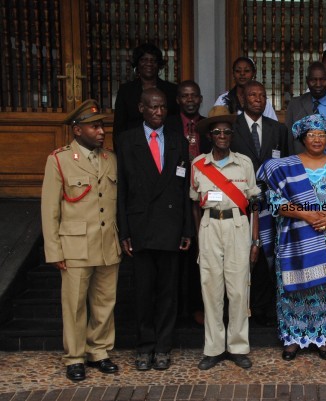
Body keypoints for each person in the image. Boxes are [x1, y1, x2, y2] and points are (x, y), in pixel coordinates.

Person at [257, 114, 326, 362]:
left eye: (321, 134)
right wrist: (306, 215)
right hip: (294, 241)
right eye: (311, 135)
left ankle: (321, 337)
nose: (316, 139)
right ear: (303, 138)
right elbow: (273, 202)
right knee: (292, 289)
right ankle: (292, 338)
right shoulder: (283, 167)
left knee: (324, 289)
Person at [41, 99, 120, 381]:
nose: (101, 132)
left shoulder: (110, 159)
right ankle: (75, 356)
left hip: (107, 242)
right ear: (77, 130)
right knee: (74, 304)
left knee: (104, 301)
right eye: (94, 127)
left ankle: (99, 350)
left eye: (102, 126)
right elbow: (50, 209)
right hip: (75, 244)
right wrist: (54, 250)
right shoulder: (59, 160)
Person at [117, 88, 193, 371]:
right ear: (141, 108)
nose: (158, 112)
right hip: (140, 227)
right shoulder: (126, 141)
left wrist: (187, 229)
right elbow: (122, 190)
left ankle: (163, 346)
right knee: (143, 292)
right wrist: (124, 232)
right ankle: (144, 346)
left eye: (162, 107)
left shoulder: (177, 141)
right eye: (152, 107)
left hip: (171, 227)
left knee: (167, 293)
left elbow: (184, 188)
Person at [190, 106, 260, 371]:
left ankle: (238, 346)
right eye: (217, 132)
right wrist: (199, 235)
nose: (222, 136)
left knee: (239, 289)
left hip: (238, 227)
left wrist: (256, 240)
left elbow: (254, 204)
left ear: (232, 135)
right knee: (211, 289)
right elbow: (195, 204)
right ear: (210, 135)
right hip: (210, 227)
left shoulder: (244, 163)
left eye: (227, 132)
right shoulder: (198, 165)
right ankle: (214, 348)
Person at [230, 80, 289, 326]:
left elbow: (285, 164)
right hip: (238, 202)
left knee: (268, 253)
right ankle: (244, 304)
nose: (258, 99)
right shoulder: (230, 128)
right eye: (253, 95)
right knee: (243, 254)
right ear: (243, 99)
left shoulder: (278, 129)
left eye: (262, 95)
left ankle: (266, 305)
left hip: (270, 204)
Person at [165, 80, 209, 326]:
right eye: (185, 96)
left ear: (200, 99)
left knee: (198, 254)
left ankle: (196, 307)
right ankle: (175, 308)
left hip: (202, 198)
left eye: (194, 95)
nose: (190, 100)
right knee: (174, 257)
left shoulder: (207, 126)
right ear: (178, 100)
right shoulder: (168, 124)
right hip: (172, 198)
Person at [113, 43, 178, 147]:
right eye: (144, 60)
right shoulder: (126, 90)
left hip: (164, 145)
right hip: (133, 145)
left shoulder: (171, 90)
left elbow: (175, 123)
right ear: (137, 64)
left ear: (159, 64)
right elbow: (119, 126)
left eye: (153, 60)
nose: (149, 63)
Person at [214, 56, 278, 120]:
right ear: (233, 74)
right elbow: (214, 123)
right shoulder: (223, 99)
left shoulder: (261, 100)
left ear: (253, 73)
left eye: (247, 71)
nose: (242, 73)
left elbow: (272, 125)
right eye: (238, 71)